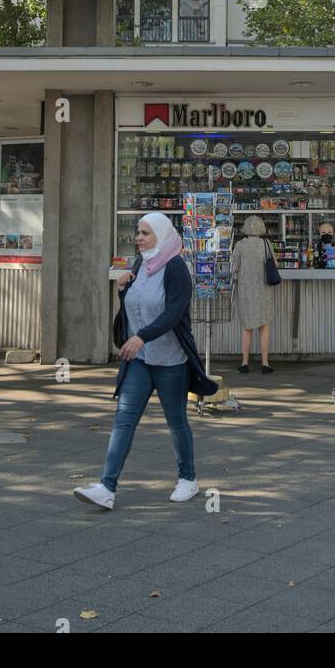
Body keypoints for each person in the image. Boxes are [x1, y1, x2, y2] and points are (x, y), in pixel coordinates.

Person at [74, 211, 217, 512]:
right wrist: (123, 291)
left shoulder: (176, 268)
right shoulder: (140, 264)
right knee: (123, 419)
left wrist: (142, 337)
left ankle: (188, 479)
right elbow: (138, 308)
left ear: (162, 236)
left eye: (145, 233)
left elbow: (173, 313)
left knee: (176, 421)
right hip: (139, 360)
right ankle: (106, 487)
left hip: (170, 360)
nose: (138, 238)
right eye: (138, 232)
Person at [231, 214, 276, 374]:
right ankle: (265, 363)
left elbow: (234, 267)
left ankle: (244, 363)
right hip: (264, 290)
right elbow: (274, 264)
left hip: (246, 291)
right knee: (264, 326)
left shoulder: (240, 245)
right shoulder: (266, 243)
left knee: (246, 327)